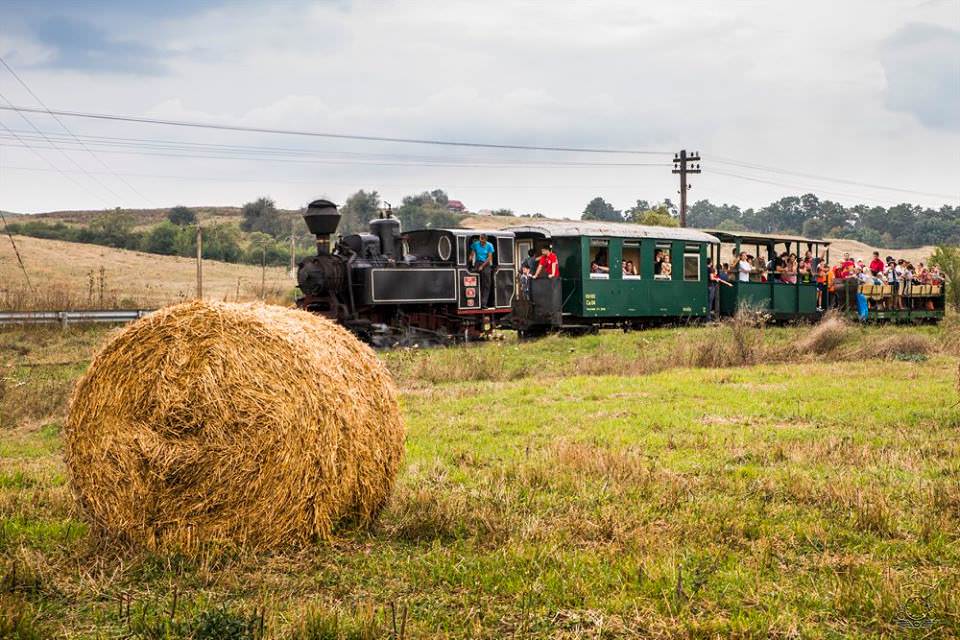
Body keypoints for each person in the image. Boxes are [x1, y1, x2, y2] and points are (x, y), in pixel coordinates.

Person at [469, 233, 495, 308]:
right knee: (477, 282)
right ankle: (477, 302)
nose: (481, 242)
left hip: (486, 264)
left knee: (487, 284)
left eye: (482, 241)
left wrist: (482, 266)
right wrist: (470, 259)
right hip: (478, 262)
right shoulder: (475, 244)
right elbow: (472, 254)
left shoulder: (489, 245)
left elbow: (489, 258)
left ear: (486, 240)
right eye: (480, 240)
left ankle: (483, 303)